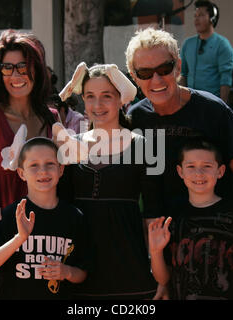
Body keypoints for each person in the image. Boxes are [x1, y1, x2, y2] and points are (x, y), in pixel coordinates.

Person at [125, 27, 233, 273]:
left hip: (222, 242)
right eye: (145, 73)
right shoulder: (135, 119)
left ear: (178, 66)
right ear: (134, 76)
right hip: (167, 247)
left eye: (164, 69)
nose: (156, 80)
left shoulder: (214, 112)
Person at [0, 30, 58, 299]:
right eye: (7, 67)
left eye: (23, 67)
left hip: (44, 240)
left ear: (37, 70)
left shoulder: (53, 119)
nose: (16, 75)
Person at [56, 62, 161, 299]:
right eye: (90, 96)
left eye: (106, 96)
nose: (98, 104)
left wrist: (159, 269)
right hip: (79, 268)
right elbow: (61, 207)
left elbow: (153, 213)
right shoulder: (70, 144)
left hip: (130, 267)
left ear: (120, 99)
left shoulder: (145, 145)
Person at [0, 137, 88, 299]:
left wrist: (67, 272)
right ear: (22, 173)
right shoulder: (9, 215)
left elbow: (83, 272)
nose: (43, 171)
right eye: (34, 165)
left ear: (61, 170)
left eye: (50, 164)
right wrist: (19, 238)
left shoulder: (74, 217)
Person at [148, 138, 233, 299]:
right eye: (191, 166)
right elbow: (163, 278)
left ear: (220, 171)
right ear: (180, 171)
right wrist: (155, 252)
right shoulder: (173, 216)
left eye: (207, 166)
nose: (199, 173)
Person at [180, 0, 233, 102]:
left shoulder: (222, 44)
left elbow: (225, 80)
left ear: (212, 18)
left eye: (201, 15)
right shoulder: (188, 44)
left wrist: (222, 107)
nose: (196, 19)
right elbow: (183, 74)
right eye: (195, 15)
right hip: (190, 102)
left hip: (212, 103)